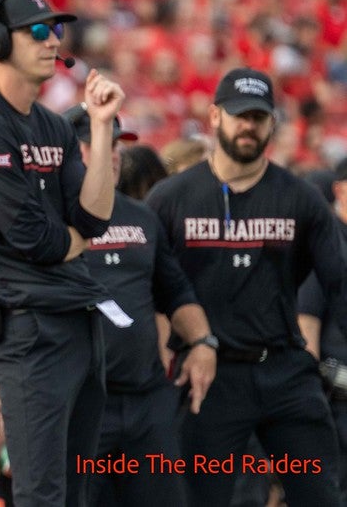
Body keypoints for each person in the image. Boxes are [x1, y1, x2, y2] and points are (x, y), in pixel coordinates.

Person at [0, 0, 125, 506]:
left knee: (76, 493)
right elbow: (38, 240)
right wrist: (75, 237)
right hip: (28, 330)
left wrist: (104, 127)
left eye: (57, 31)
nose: (52, 42)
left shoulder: (53, 124)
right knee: (41, 492)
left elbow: (92, 216)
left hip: (77, 320)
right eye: (38, 31)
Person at [145, 67, 346, 506]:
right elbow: (140, 285)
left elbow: (341, 282)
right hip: (208, 375)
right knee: (199, 499)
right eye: (239, 115)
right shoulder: (171, 198)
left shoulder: (300, 199)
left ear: (272, 122)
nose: (248, 126)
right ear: (215, 116)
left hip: (285, 371)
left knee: (321, 495)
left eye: (258, 117)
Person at [64, 104, 216, 507]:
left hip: (146, 398)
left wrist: (202, 341)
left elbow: (175, 290)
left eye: (115, 144)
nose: (111, 154)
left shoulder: (143, 217)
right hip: (80, 402)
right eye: (97, 143)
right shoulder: (51, 221)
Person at [298, 157, 347, 504]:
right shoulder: (329, 240)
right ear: (340, 189)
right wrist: (312, 398)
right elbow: (307, 323)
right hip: (337, 393)